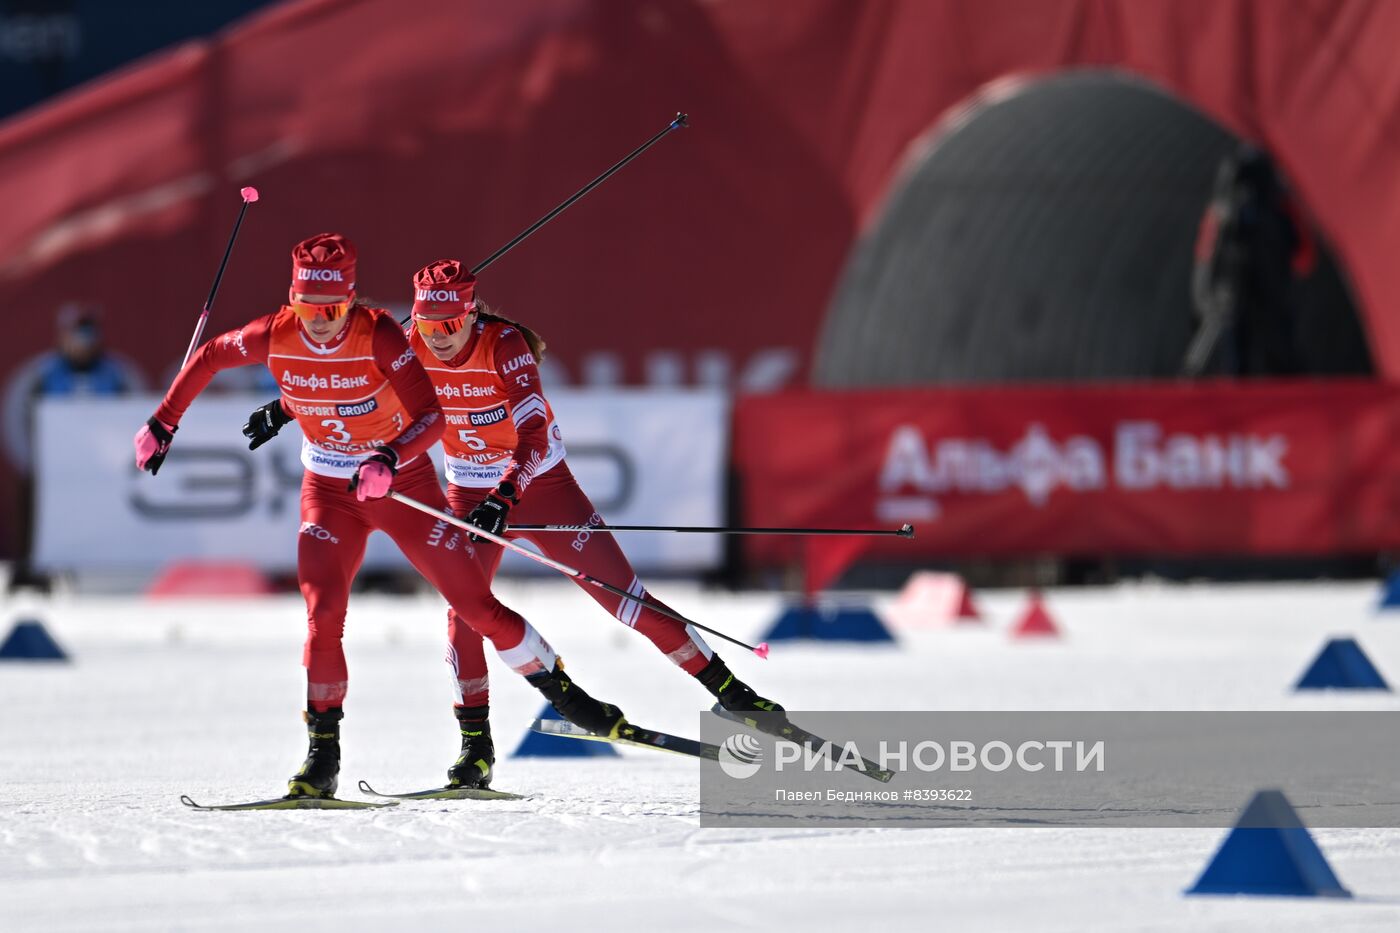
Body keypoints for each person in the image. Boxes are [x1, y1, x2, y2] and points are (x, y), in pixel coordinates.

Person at [246, 258, 786, 790]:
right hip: (467, 491)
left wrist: (506, 495)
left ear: (472, 316)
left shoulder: (504, 346)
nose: (437, 339)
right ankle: (476, 747)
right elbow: (346, 383)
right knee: (463, 613)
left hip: (542, 489)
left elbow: (530, 436)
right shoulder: (407, 344)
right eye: (427, 326)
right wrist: (283, 407)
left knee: (625, 600)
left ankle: (735, 697)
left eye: (450, 326)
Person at [134, 233, 629, 798]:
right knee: (323, 613)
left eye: (333, 310)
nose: (320, 323)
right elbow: (210, 357)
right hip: (330, 489)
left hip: (403, 488)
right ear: (291, 301)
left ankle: (567, 697)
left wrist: (391, 457)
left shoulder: (383, 334)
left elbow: (432, 417)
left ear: (350, 301)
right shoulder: (276, 333)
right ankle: (322, 759)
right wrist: (163, 421)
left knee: (473, 607)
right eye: (308, 310)